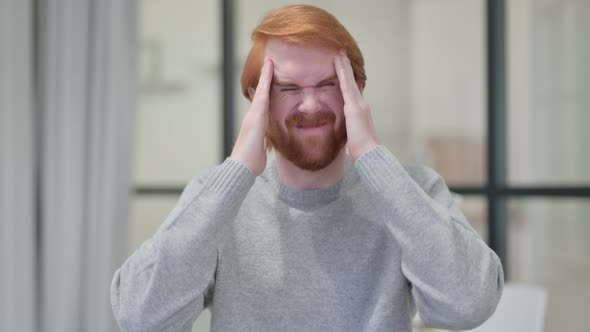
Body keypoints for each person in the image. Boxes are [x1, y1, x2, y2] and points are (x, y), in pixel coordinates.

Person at [111, 4, 503, 332]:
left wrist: (372, 157)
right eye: (288, 89)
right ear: (257, 99)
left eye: (328, 84)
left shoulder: (413, 189)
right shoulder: (217, 200)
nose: (311, 105)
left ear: (356, 88)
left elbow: (468, 303)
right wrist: (236, 172)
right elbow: (139, 315)